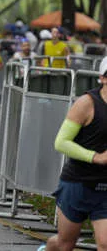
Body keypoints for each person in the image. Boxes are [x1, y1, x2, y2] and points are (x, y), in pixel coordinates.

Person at [38, 56, 107, 251]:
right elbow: (61, 142)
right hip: (78, 183)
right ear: (102, 78)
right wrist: (95, 157)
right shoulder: (87, 103)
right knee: (65, 243)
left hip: (105, 187)